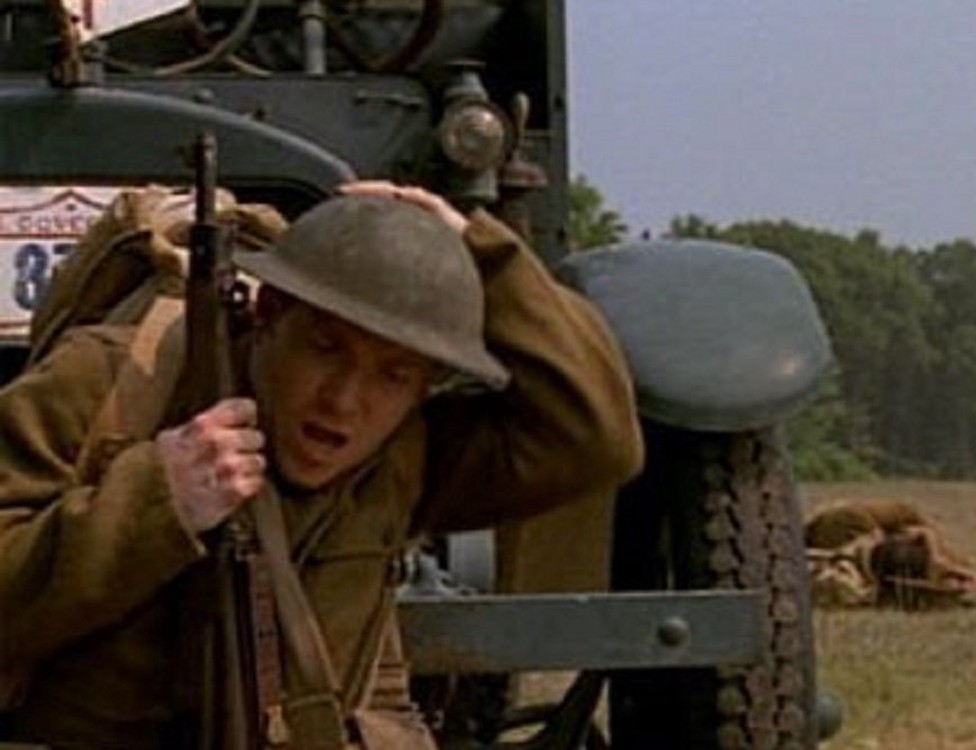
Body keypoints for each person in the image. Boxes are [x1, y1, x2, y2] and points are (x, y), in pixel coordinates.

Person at [0, 182, 645, 748]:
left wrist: (478, 254)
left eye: (393, 375)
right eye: (326, 348)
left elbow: (596, 436)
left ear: (425, 387)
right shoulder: (111, 384)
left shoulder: (402, 455)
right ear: (270, 314)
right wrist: (152, 501)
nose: (344, 400)